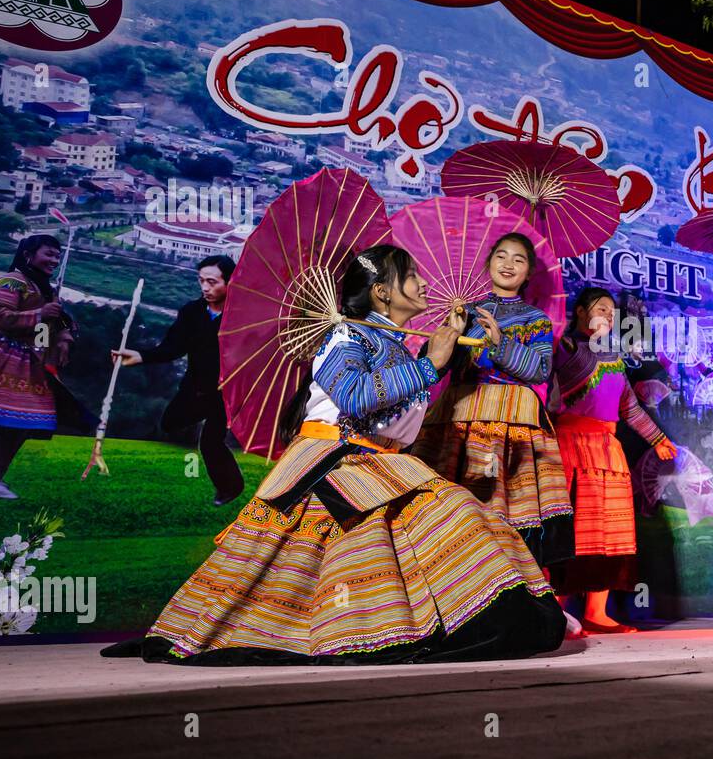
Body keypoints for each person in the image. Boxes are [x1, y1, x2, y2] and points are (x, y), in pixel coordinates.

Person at [101, 245, 563, 664]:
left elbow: (400, 411)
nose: (424, 284)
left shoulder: (394, 342)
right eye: (412, 276)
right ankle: (382, 632)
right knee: (333, 561)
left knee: (458, 514)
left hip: (380, 464)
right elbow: (357, 398)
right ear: (382, 293)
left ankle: (474, 620)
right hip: (336, 463)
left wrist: (438, 353)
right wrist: (431, 365)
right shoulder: (347, 339)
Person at [412, 232, 574, 565]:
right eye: (502, 256)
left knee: (507, 514)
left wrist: (500, 343)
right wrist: (450, 334)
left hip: (511, 421)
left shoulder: (535, 319)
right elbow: (435, 368)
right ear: (489, 264)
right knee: (452, 511)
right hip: (459, 417)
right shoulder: (465, 314)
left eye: (519, 259)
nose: (509, 264)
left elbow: (540, 370)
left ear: (528, 273)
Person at [550, 287, 678, 633]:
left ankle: (597, 611)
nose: (608, 315)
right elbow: (563, 383)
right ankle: (558, 614)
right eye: (600, 308)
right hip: (572, 446)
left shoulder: (615, 359)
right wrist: (590, 343)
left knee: (609, 532)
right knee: (574, 532)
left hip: (609, 448)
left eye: (611, 311)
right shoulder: (564, 348)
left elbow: (630, 409)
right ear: (578, 312)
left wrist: (660, 440)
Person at [111, 255, 244, 506]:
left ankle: (230, 488)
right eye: (201, 281)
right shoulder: (192, 311)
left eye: (213, 282)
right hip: (195, 386)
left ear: (230, 282)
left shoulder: (243, 316)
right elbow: (174, 347)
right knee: (171, 422)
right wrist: (140, 356)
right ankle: (205, 423)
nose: (205, 288)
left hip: (227, 391)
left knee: (210, 443)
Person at [0, 234, 94, 499]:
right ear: (28, 255)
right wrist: (39, 315)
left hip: (31, 364)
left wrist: (62, 339)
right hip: (2, 359)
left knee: (22, 423)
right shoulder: (12, 281)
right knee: (2, 421)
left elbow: (54, 323)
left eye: (57, 256)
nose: (54, 260)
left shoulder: (46, 290)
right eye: (48, 254)